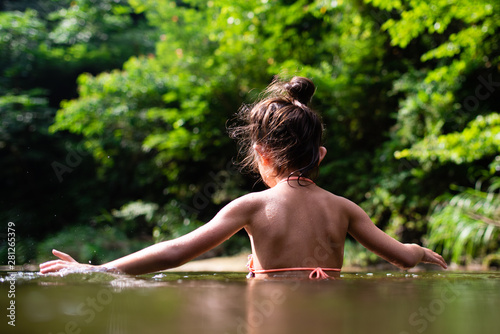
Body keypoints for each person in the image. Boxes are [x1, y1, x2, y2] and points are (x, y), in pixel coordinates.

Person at [39, 76, 447, 279]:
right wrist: (422, 251)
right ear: (320, 154)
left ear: (261, 154)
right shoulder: (344, 209)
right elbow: (402, 256)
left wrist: (98, 270)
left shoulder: (252, 206)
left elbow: (176, 251)